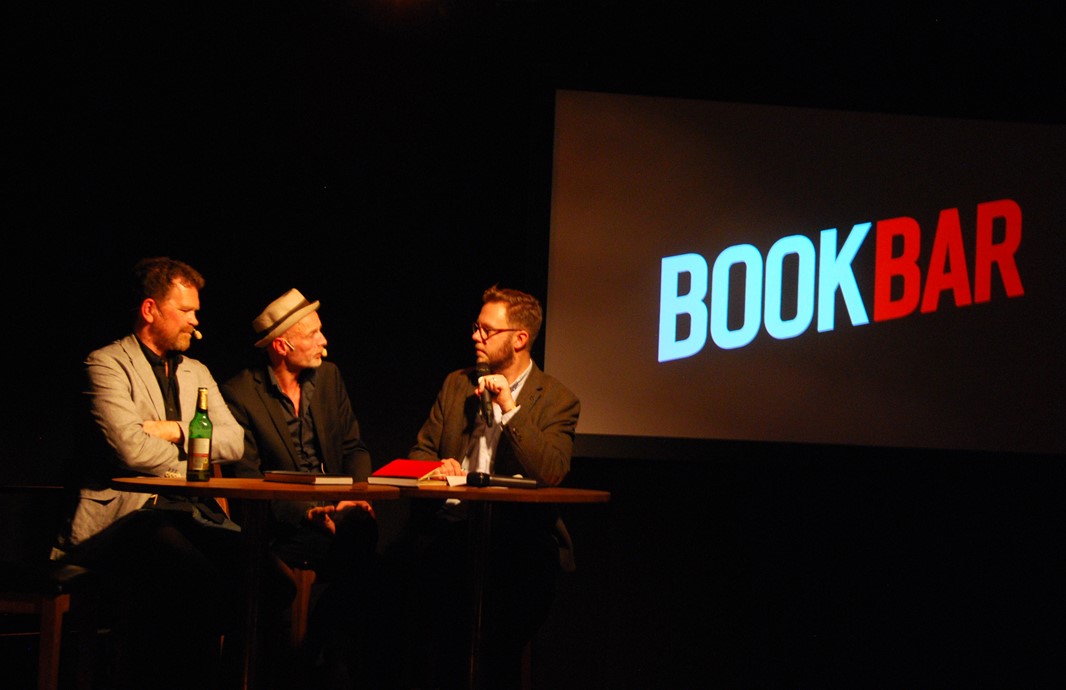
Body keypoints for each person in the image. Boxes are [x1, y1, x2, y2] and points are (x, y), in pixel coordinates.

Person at [56, 256, 293, 690]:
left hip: (192, 512)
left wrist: (173, 430)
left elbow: (233, 441)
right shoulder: (106, 364)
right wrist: (191, 453)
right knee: (195, 580)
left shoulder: (196, 371)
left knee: (275, 582)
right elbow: (129, 449)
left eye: (196, 311)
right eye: (185, 311)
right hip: (127, 518)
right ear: (150, 310)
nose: (195, 320)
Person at [388, 284, 581, 690]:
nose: (475, 337)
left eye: (486, 330)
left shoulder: (559, 400)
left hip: (518, 539)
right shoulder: (457, 385)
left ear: (519, 339)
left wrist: (511, 410)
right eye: (476, 327)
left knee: (498, 631)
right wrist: (438, 468)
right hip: (451, 528)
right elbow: (419, 452)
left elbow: (550, 471)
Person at [221, 288, 383, 689]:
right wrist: (306, 512)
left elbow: (353, 447)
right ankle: (321, 666)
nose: (324, 342)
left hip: (336, 511)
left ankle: (315, 655)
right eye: (314, 334)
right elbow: (247, 478)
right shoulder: (240, 393)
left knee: (361, 534)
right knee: (362, 568)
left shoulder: (328, 378)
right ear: (282, 344)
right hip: (282, 525)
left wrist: (355, 494)